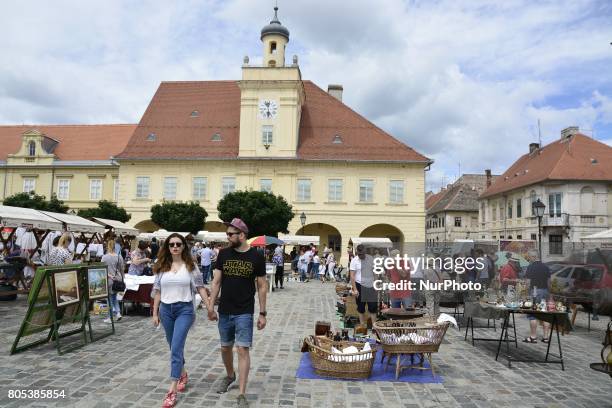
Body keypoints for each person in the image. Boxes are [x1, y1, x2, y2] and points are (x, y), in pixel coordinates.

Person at [208, 218, 267, 408]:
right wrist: (210, 306)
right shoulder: (223, 254)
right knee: (225, 348)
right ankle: (230, 375)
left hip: (244, 311)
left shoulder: (256, 257)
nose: (228, 237)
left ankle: (242, 393)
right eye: (227, 234)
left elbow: (262, 286)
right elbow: (216, 282)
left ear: (242, 235)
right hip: (225, 309)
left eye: (231, 234)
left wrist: (263, 313)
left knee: (242, 349)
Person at [151, 233, 212, 408]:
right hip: (166, 311)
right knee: (173, 346)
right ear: (167, 247)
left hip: (185, 310)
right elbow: (158, 291)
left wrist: (209, 306)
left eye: (178, 244)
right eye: (172, 244)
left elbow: (200, 288)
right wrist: (155, 313)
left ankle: (172, 390)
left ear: (184, 246)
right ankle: (183, 373)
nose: (175, 247)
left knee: (176, 347)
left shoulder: (191, 266)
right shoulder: (162, 266)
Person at [523, 250, 551, 343]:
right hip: (545, 291)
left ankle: (533, 337)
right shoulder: (546, 267)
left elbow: (528, 282)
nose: (529, 259)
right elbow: (549, 282)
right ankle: (546, 337)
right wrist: (549, 293)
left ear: (533, 257)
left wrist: (526, 293)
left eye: (529, 257)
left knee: (533, 314)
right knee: (545, 314)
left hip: (535, 292)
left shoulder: (531, 267)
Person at [349, 244, 378, 328]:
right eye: (359, 254)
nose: (360, 256)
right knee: (361, 307)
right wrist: (355, 289)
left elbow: (375, 272)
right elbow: (352, 276)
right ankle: (362, 326)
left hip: (370, 285)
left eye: (362, 254)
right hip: (359, 285)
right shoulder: (354, 261)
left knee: (373, 307)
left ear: (365, 252)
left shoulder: (371, 259)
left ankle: (374, 327)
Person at [101, 239, 125, 323]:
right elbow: (122, 269)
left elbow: (102, 270)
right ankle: (118, 313)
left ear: (108, 246)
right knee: (114, 297)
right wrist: (123, 279)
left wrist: (109, 275)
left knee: (109, 299)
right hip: (118, 279)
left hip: (110, 279)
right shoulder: (119, 257)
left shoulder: (105, 257)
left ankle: (109, 317)